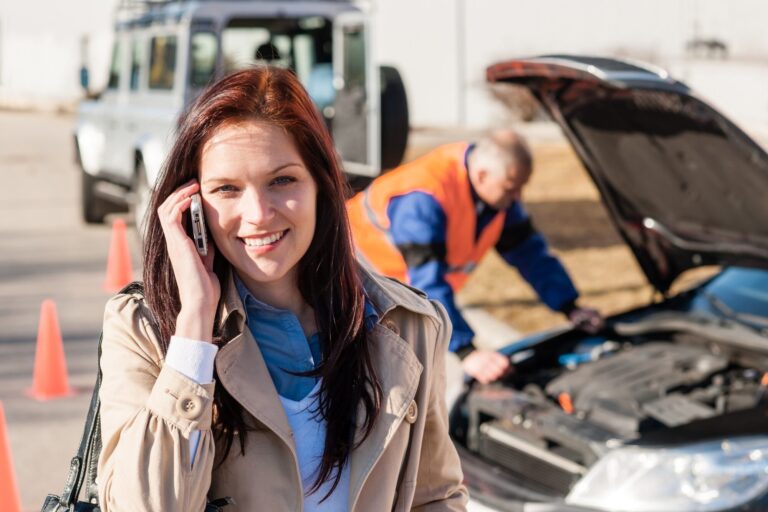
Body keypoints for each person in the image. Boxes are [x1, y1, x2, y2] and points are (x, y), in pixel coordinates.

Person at [96, 67, 467, 511]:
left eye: (282, 180)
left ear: (320, 186)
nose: (257, 213)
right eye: (227, 189)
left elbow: (435, 495)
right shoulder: (144, 330)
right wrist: (194, 326)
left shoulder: (406, 325)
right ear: (192, 206)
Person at [348, 131, 603, 385]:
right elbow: (426, 284)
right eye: (512, 188)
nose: (518, 198)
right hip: (352, 278)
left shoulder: (498, 195)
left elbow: (532, 256)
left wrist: (570, 306)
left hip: (398, 289)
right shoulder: (424, 200)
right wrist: (466, 351)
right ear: (482, 176)